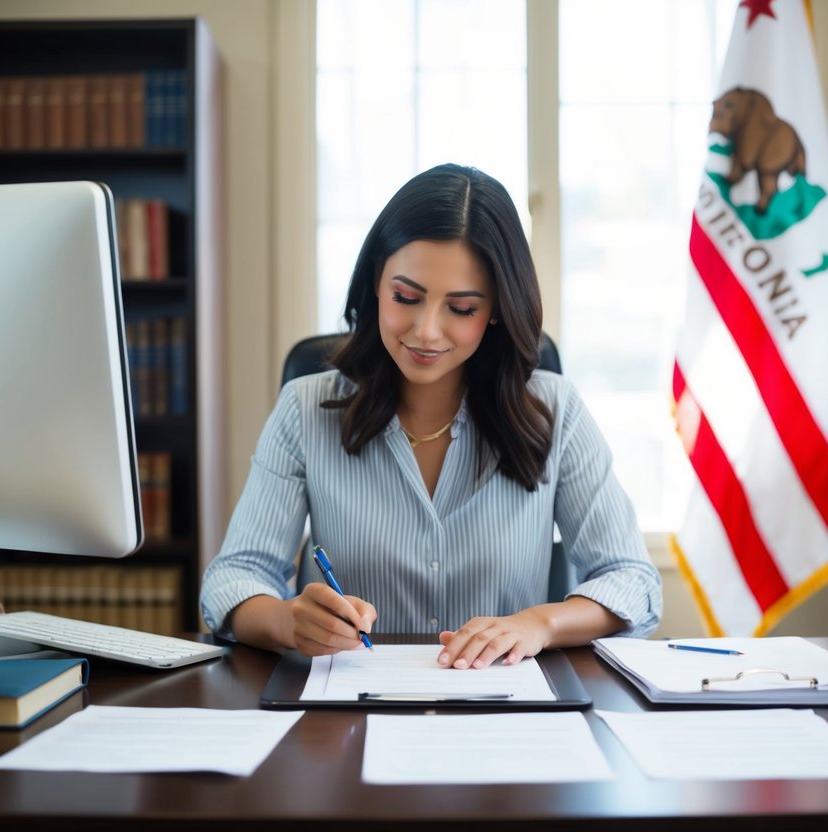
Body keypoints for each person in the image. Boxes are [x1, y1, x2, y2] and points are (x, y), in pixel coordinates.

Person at [201, 163, 661, 669]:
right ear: (376, 283)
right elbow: (232, 580)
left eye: (461, 309)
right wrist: (288, 621)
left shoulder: (556, 411)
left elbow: (633, 581)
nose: (426, 331)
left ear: (497, 311)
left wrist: (539, 623)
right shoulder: (305, 410)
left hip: (507, 710)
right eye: (406, 297)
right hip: (354, 714)